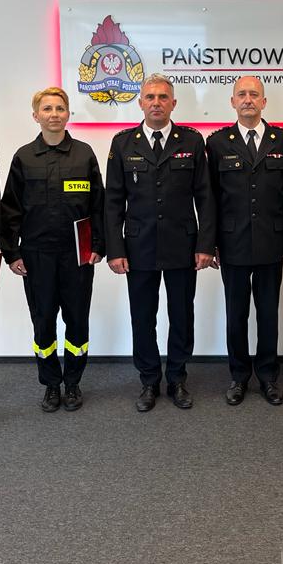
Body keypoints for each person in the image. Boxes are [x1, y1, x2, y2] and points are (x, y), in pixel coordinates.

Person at [104, 74, 215, 412]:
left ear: (173, 103)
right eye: (150, 97)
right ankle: (149, 380)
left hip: (182, 244)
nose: (156, 103)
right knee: (143, 317)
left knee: (181, 315)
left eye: (163, 97)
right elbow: (113, 202)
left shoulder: (191, 141)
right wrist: (115, 249)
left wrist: (205, 245)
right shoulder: (123, 143)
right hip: (138, 247)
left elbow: (205, 197)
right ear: (140, 103)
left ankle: (177, 378)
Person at [0, 87, 105, 413]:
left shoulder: (84, 154)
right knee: (43, 321)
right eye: (47, 109)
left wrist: (99, 246)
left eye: (60, 108)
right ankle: (50, 384)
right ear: (36, 116)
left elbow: (99, 206)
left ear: (68, 113)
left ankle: (72, 382)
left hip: (77, 256)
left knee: (77, 321)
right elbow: (10, 209)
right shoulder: (24, 157)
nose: (54, 114)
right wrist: (12, 253)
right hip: (37, 256)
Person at [206, 76, 283, 406]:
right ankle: (239, 376)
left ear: (264, 101)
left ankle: (269, 376)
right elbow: (209, 198)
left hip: (272, 240)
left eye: (254, 94)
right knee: (236, 314)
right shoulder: (217, 143)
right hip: (232, 242)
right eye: (241, 94)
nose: (248, 99)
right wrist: (211, 243)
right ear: (232, 102)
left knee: (268, 314)